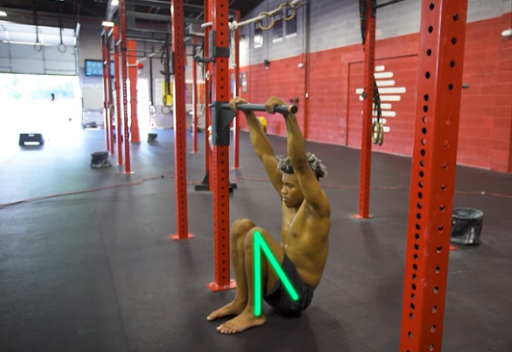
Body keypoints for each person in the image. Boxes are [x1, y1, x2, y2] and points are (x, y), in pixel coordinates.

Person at [207, 96, 331, 334]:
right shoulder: (288, 197)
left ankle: (254, 313)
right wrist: (250, 116)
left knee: (257, 236)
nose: (283, 190)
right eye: (283, 185)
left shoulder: (317, 208)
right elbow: (264, 154)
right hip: (278, 284)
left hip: (295, 295)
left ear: (308, 186)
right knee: (241, 226)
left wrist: (289, 117)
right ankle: (242, 300)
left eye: (290, 186)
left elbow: (300, 162)